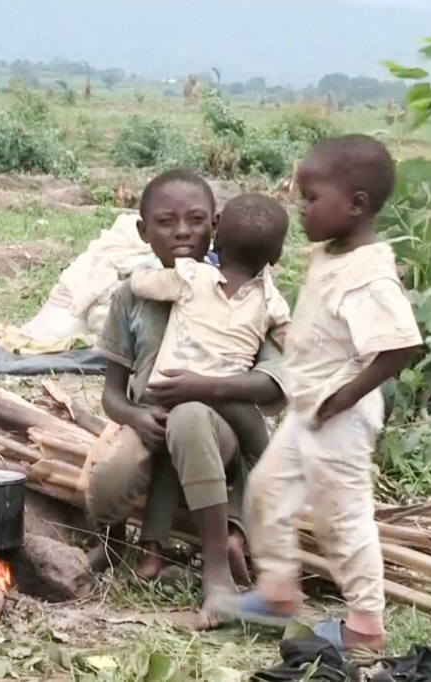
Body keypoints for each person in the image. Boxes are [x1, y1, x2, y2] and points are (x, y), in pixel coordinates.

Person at [221, 135, 422, 653]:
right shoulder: (332, 253)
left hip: (339, 420)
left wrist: (348, 395)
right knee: (265, 491)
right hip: (309, 410)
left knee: (343, 523)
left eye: (311, 198)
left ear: (356, 204)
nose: (300, 207)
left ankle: (365, 628)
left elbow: (401, 347)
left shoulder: (369, 275)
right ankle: (278, 595)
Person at [86, 169, 288, 630]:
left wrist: (204, 387)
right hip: (151, 424)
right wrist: (135, 417)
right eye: (166, 222)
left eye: (196, 220)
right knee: (110, 480)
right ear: (143, 231)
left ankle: (217, 579)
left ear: (215, 225)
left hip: (217, 432)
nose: (182, 232)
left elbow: (274, 384)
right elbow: (112, 395)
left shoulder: (241, 292)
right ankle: (115, 541)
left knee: (191, 418)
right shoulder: (132, 297)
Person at [123, 193, 291, 580]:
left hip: (166, 390)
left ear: (216, 236)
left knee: (169, 456)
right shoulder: (271, 300)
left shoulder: (190, 275)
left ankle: (152, 552)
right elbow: (293, 341)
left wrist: (143, 271)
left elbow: (142, 284)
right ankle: (236, 532)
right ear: (276, 257)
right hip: (226, 400)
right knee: (260, 458)